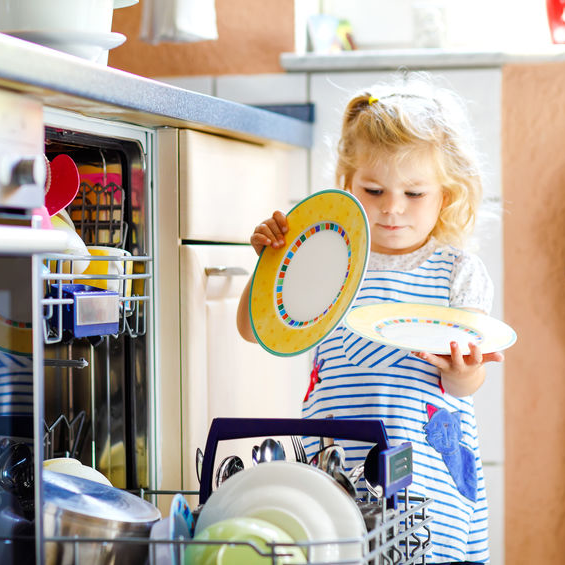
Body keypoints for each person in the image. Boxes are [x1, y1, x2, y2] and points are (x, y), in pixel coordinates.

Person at [236, 73, 504, 564]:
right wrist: (269, 266)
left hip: (429, 477)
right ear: (347, 182)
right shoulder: (324, 258)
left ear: (448, 193)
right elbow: (253, 330)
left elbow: (467, 383)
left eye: (415, 194)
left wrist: (465, 371)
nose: (392, 210)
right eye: (374, 189)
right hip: (336, 465)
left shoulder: (456, 272)